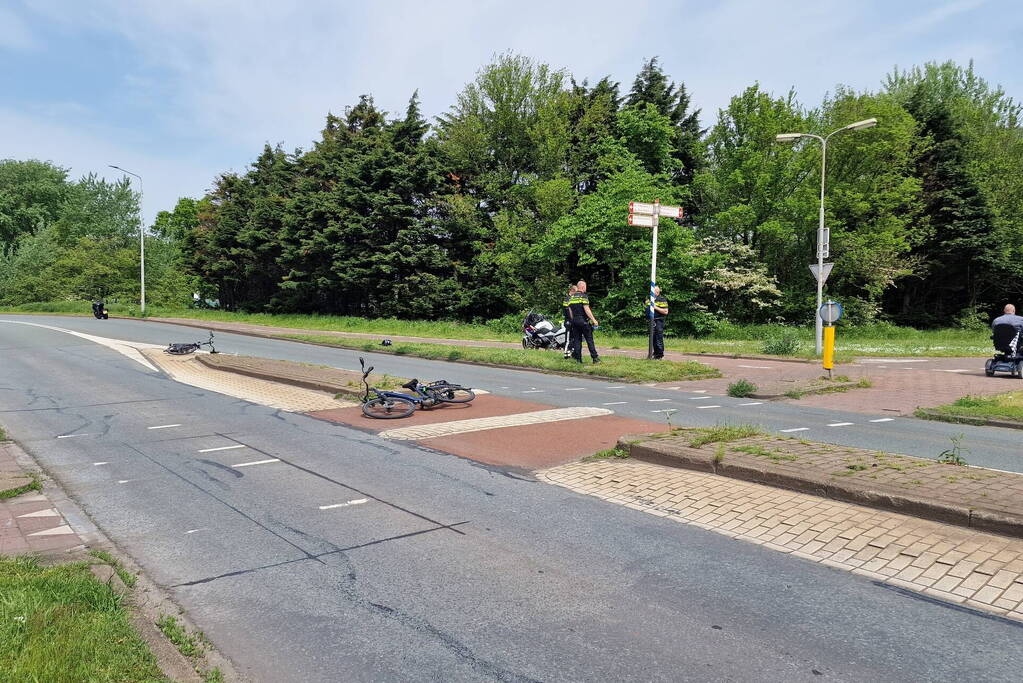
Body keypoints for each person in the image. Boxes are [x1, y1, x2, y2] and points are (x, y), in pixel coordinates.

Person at [566, 280, 600, 364]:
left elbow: (570, 311)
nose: (586, 288)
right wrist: (594, 320)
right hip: (583, 321)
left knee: (577, 340)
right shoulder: (583, 296)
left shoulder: (571, 298)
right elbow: (587, 309)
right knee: (589, 339)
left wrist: (573, 320)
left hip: (574, 321)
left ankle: (578, 360)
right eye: (585, 287)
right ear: (582, 287)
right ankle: (595, 358)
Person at [645, 285, 669, 359]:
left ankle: (660, 355)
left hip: (658, 321)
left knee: (658, 338)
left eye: (652, 291)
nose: (650, 292)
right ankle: (654, 354)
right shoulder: (648, 299)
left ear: (657, 292)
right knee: (652, 338)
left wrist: (655, 307)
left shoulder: (662, 300)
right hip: (651, 321)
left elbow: (665, 312)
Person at [561, 284, 577, 359]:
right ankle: (566, 353)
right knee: (568, 338)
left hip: (573, 321)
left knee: (573, 338)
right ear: (572, 291)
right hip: (568, 321)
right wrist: (571, 319)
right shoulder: (567, 299)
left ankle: (571, 352)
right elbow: (567, 311)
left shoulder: (571, 299)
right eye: (576, 292)